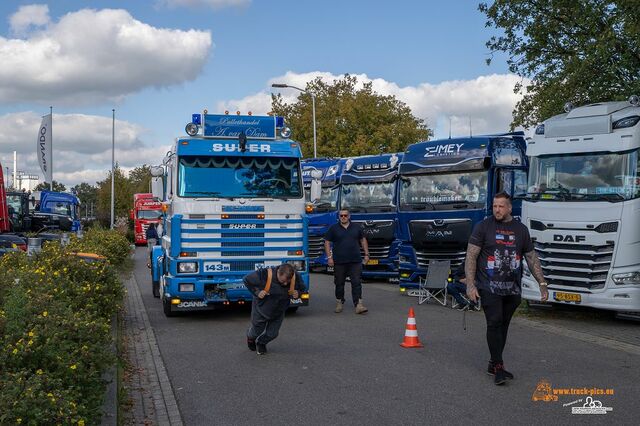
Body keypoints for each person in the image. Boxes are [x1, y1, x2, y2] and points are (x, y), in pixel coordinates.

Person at [464, 192, 548, 385]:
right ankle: (499, 367)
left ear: (510, 208)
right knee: (494, 322)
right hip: (489, 286)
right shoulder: (484, 226)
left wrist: (542, 283)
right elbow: (471, 256)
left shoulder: (520, 230)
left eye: (501, 206)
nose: (497, 210)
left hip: (512, 289)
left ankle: (493, 363)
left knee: (503, 325)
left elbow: (531, 257)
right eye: (494, 206)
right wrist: (470, 284)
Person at [243, 263, 305, 355]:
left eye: (288, 281)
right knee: (256, 332)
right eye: (283, 281)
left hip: (279, 311)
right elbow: (246, 280)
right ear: (278, 272)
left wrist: (298, 293)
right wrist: (257, 292)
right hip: (261, 309)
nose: (285, 283)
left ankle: (261, 343)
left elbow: (303, 288)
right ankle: (250, 338)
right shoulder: (264, 274)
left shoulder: (296, 277)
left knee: (273, 334)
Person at [323, 209, 370, 314]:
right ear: (339, 217)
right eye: (341, 216)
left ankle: (358, 304)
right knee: (339, 283)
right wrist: (329, 257)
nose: (343, 217)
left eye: (345, 215)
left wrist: (366, 254)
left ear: (349, 216)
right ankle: (339, 301)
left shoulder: (357, 227)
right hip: (339, 261)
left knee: (356, 282)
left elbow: (363, 240)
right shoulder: (333, 228)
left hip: (355, 260)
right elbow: (327, 242)